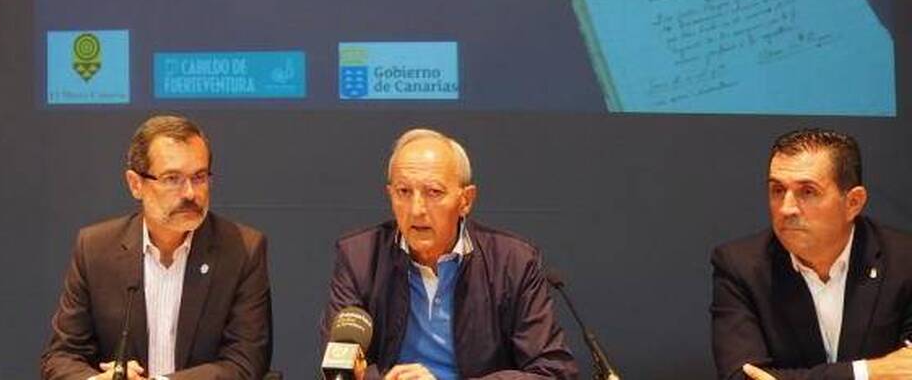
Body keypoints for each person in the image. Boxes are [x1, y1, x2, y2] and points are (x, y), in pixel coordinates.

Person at [321, 128, 578, 380]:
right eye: (404, 192)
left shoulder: (513, 262)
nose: (416, 209)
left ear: (466, 200)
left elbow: (552, 371)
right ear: (390, 195)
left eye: (433, 192)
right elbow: (340, 365)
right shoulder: (360, 257)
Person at [41, 115, 272, 380]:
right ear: (135, 184)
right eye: (172, 178)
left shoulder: (242, 250)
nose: (190, 193)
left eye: (199, 177)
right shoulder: (95, 249)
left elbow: (246, 362)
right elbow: (61, 356)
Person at [711, 128, 912, 380]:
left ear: (853, 202)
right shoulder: (741, 267)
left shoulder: (904, 262)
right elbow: (742, 377)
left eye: (807, 192)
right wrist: (865, 373)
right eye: (777, 190)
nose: (786, 209)